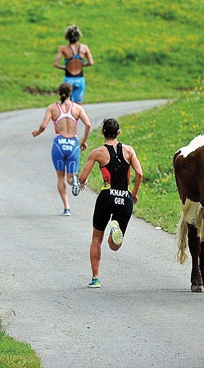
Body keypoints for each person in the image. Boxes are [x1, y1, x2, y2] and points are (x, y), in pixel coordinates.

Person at [76, 117, 143, 288]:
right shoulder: (129, 151)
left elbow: (82, 177)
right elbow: (139, 174)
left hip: (106, 197)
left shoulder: (97, 152)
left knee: (96, 238)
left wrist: (82, 183)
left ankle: (95, 278)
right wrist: (133, 194)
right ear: (119, 132)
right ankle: (115, 228)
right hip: (125, 198)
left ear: (102, 133)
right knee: (114, 246)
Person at [32, 82, 92, 216]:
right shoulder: (77, 109)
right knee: (70, 178)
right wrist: (84, 141)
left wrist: (37, 132)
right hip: (72, 144)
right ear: (71, 94)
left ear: (59, 93)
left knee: (60, 177)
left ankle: (66, 208)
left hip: (59, 144)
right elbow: (88, 124)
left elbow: (43, 126)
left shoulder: (52, 108)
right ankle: (77, 180)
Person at [53, 25, 94, 104]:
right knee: (78, 106)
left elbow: (55, 64)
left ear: (67, 36)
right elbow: (91, 62)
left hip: (68, 79)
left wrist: (65, 67)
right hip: (80, 78)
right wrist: (81, 65)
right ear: (79, 36)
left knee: (67, 104)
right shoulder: (84, 48)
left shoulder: (63, 48)